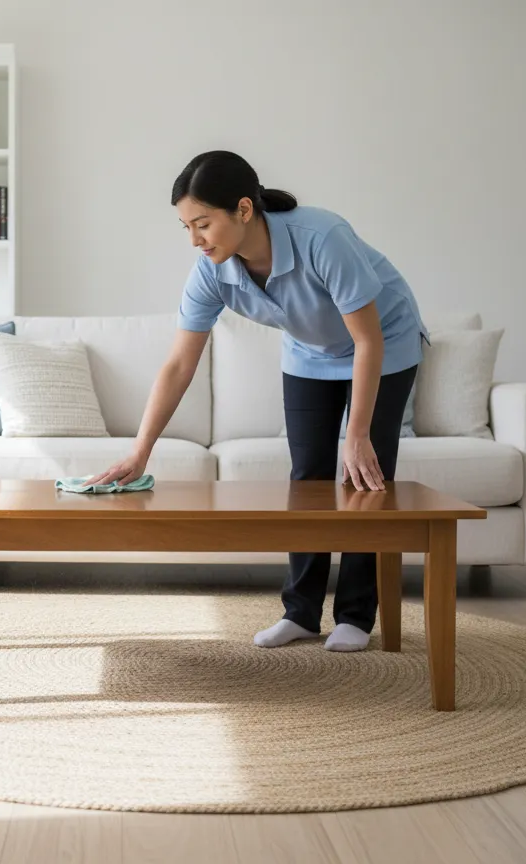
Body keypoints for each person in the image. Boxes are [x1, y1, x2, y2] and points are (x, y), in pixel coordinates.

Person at [87, 150, 427, 652]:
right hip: (310, 354)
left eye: (203, 223)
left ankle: (356, 615)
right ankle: (302, 613)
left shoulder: (322, 238)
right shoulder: (211, 272)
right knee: (307, 477)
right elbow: (179, 365)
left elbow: (368, 341)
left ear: (244, 209)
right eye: (185, 227)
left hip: (384, 343)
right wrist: (140, 450)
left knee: (364, 476)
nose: (195, 240)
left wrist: (355, 434)